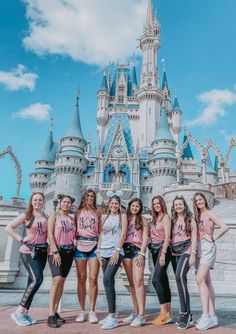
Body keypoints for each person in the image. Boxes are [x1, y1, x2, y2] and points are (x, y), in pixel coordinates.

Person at [6, 192, 48, 326]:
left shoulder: (46, 216)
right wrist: (22, 238)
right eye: (35, 200)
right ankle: (18, 311)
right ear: (31, 201)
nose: (38, 202)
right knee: (38, 279)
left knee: (32, 282)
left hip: (42, 252)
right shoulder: (27, 215)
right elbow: (9, 227)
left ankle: (25, 312)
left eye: (40, 200)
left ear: (43, 201)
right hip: (29, 251)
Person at [193, 192, 228, 330]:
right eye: (196, 201)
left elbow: (224, 227)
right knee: (207, 281)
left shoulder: (209, 213)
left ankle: (206, 315)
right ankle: (212, 316)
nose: (199, 202)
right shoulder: (197, 216)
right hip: (201, 248)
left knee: (199, 279)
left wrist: (213, 237)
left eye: (200, 200)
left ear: (205, 200)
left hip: (208, 247)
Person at [96, 191, 128, 330]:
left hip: (115, 252)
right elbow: (101, 235)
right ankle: (112, 315)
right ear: (108, 204)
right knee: (109, 282)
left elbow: (123, 234)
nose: (114, 205)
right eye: (112, 203)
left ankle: (112, 315)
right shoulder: (104, 217)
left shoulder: (123, 216)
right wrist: (98, 250)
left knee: (107, 279)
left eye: (116, 203)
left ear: (119, 205)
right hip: (103, 251)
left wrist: (117, 250)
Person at [47, 194, 76, 328]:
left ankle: (56, 312)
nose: (66, 204)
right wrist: (55, 251)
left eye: (68, 203)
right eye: (64, 202)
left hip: (69, 251)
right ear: (60, 203)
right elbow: (49, 234)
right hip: (56, 251)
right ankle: (51, 314)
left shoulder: (71, 219)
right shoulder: (55, 216)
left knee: (62, 281)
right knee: (56, 280)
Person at [74, 188, 101, 324]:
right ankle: (81, 310)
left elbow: (101, 231)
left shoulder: (98, 212)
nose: (90, 198)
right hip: (79, 245)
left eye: (92, 196)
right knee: (81, 278)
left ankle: (92, 311)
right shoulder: (78, 212)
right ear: (84, 197)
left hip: (94, 246)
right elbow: (72, 229)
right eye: (88, 196)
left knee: (93, 278)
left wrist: (99, 248)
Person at [171, 195, 197, 330]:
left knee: (179, 276)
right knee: (181, 281)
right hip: (175, 251)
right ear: (174, 207)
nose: (178, 206)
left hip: (187, 249)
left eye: (180, 204)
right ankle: (189, 314)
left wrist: (193, 254)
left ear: (184, 205)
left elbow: (194, 237)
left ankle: (184, 314)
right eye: (176, 205)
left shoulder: (190, 218)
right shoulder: (173, 219)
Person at [122, 198, 148, 327]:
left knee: (139, 281)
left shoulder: (142, 220)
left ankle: (142, 315)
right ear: (129, 206)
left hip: (137, 250)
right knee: (132, 283)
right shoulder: (125, 219)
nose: (135, 208)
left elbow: (145, 237)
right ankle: (136, 311)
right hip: (126, 250)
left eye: (137, 206)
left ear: (140, 208)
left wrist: (142, 254)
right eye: (133, 206)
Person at [150, 195, 174, 326]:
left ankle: (163, 313)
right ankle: (169, 314)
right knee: (163, 280)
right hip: (154, 249)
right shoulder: (154, 218)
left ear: (162, 204)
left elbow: (168, 236)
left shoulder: (166, 217)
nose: (156, 205)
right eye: (154, 204)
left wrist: (163, 253)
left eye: (158, 203)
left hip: (163, 249)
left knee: (156, 279)